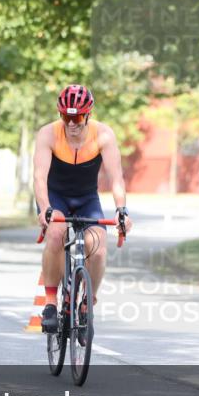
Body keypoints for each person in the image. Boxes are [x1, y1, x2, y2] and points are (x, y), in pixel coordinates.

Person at [33, 84, 132, 332]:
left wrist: (121, 210)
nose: (71, 124)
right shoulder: (48, 134)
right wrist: (45, 208)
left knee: (97, 247)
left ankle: (88, 301)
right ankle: (50, 303)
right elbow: (39, 177)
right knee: (56, 233)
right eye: (65, 117)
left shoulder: (103, 135)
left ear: (87, 115)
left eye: (76, 118)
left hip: (86, 198)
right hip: (54, 198)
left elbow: (116, 178)